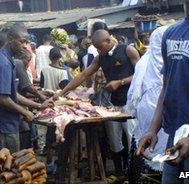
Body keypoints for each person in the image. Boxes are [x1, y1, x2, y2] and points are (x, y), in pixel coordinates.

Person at [54, 29, 140, 180]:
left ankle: (134, 174)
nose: (99, 50)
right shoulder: (101, 57)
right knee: (114, 141)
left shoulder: (128, 50)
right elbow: (83, 74)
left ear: (108, 40)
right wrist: (62, 93)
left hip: (131, 103)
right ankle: (120, 173)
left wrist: (120, 82)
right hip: (113, 104)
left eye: (100, 47)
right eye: (97, 48)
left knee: (132, 139)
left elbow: (141, 73)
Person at [137, 0, 189, 183]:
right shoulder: (170, 33)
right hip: (176, 137)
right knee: (173, 179)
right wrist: (152, 129)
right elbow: (166, 85)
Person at [0, 23, 52, 153]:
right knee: (7, 166)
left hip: (6, 124)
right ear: (10, 39)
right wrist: (25, 112)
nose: (25, 46)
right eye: (22, 42)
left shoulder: (8, 60)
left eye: (27, 42)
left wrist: (38, 106)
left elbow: (14, 94)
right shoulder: (3, 63)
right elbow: (3, 99)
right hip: (1, 127)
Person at [125, 26, 170, 183]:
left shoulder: (144, 61)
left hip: (146, 114)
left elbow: (133, 93)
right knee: (170, 159)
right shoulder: (175, 61)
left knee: (144, 151)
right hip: (166, 114)